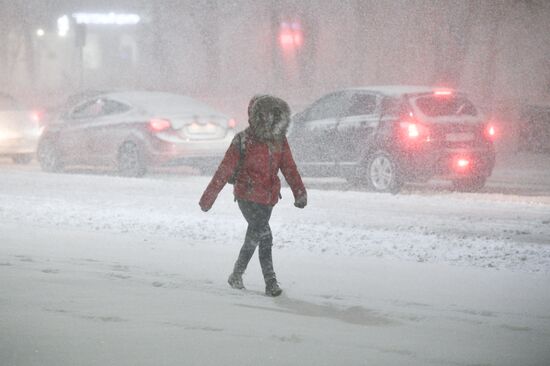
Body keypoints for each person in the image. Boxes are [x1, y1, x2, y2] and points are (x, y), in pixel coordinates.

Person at [199, 95, 307, 297]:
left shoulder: (279, 141)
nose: (269, 120)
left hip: (268, 199)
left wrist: (299, 192)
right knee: (264, 236)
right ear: (256, 116)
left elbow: (289, 168)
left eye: (273, 115)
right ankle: (270, 282)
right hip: (247, 196)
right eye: (265, 115)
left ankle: (237, 274)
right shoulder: (243, 140)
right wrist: (208, 198)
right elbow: (224, 170)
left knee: (255, 235)